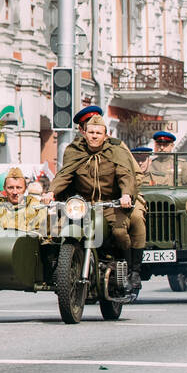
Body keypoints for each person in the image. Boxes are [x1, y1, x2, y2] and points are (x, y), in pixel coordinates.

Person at [45, 114, 144, 293]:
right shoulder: (74, 150)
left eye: (99, 132)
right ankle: (60, 270)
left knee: (121, 231)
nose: (94, 136)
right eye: (91, 132)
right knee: (55, 230)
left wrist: (126, 195)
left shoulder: (116, 151)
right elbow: (64, 174)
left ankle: (132, 270)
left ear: (106, 135)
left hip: (110, 204)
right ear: (85, 133)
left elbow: (125, 175)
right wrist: (51, 192)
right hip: (83, 206)